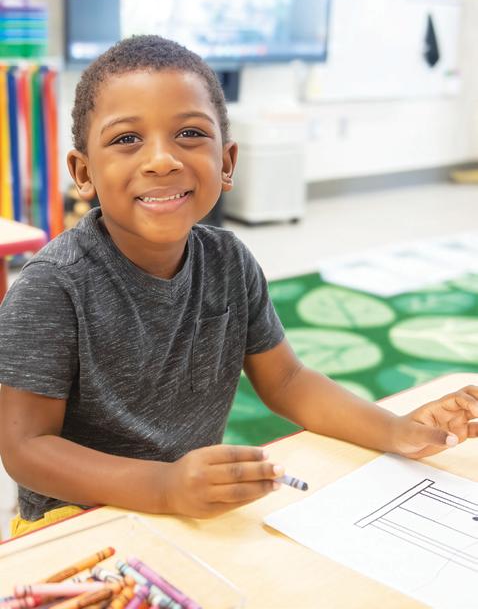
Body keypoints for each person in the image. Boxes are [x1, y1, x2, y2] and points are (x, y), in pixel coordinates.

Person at [1, 36, 477, 537]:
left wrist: (397, 430)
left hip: (190, 507)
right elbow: (26, 448)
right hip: (76, 523)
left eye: (189, 133)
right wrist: (163, 486)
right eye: (127, 139)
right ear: (83, 172)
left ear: (226, 163)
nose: (161, 160)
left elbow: (287, 382)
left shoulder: (228, 260)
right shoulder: (53, 287)